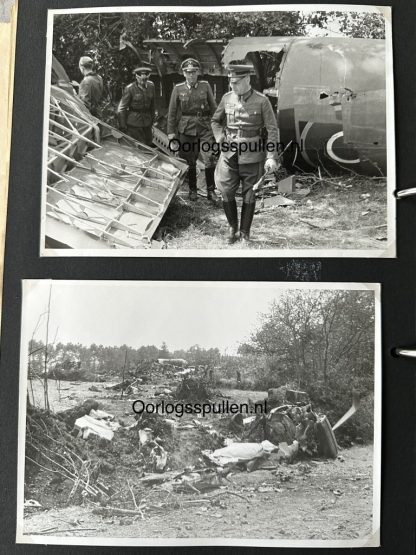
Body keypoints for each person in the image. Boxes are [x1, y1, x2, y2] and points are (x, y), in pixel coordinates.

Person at [211, 64, 280, 244]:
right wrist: (220, 138)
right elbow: (215, 121)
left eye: (236, 82)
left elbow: (273, 130)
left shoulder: (262, 101)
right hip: (229, 153)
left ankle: (244, 232)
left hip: (252, 154)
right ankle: (232, 228)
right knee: (225, 190)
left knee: (250, 193)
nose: (232, 86)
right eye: (230, 82)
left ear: (247, 79)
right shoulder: (227, 98)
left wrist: (271, 156)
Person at [167, 58, 218, 201]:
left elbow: (214, 108)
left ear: (198, 73)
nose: (191, 75)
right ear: (184, 74)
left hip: (204, 127)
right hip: (186, 129)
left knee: (209, 158)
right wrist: (171, 133)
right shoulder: (178, 89)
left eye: (194, 72)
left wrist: (217, 129)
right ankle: (193, 190)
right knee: (190, 161)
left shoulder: (205, 86)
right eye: (188, 73)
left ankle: (211, 191)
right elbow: (172, 112)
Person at [117, 66, 155, 146]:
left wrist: (152, 120)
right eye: (140, 78)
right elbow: (121, 109)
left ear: (147, 77)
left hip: (147, 123)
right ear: (136, 77)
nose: (142, 81)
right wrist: (123, 126)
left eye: (145, 79)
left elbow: (152, 105)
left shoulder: (151, 86)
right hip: (134, 125)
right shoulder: (130, 89)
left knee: (148, 145)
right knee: (138, 148)